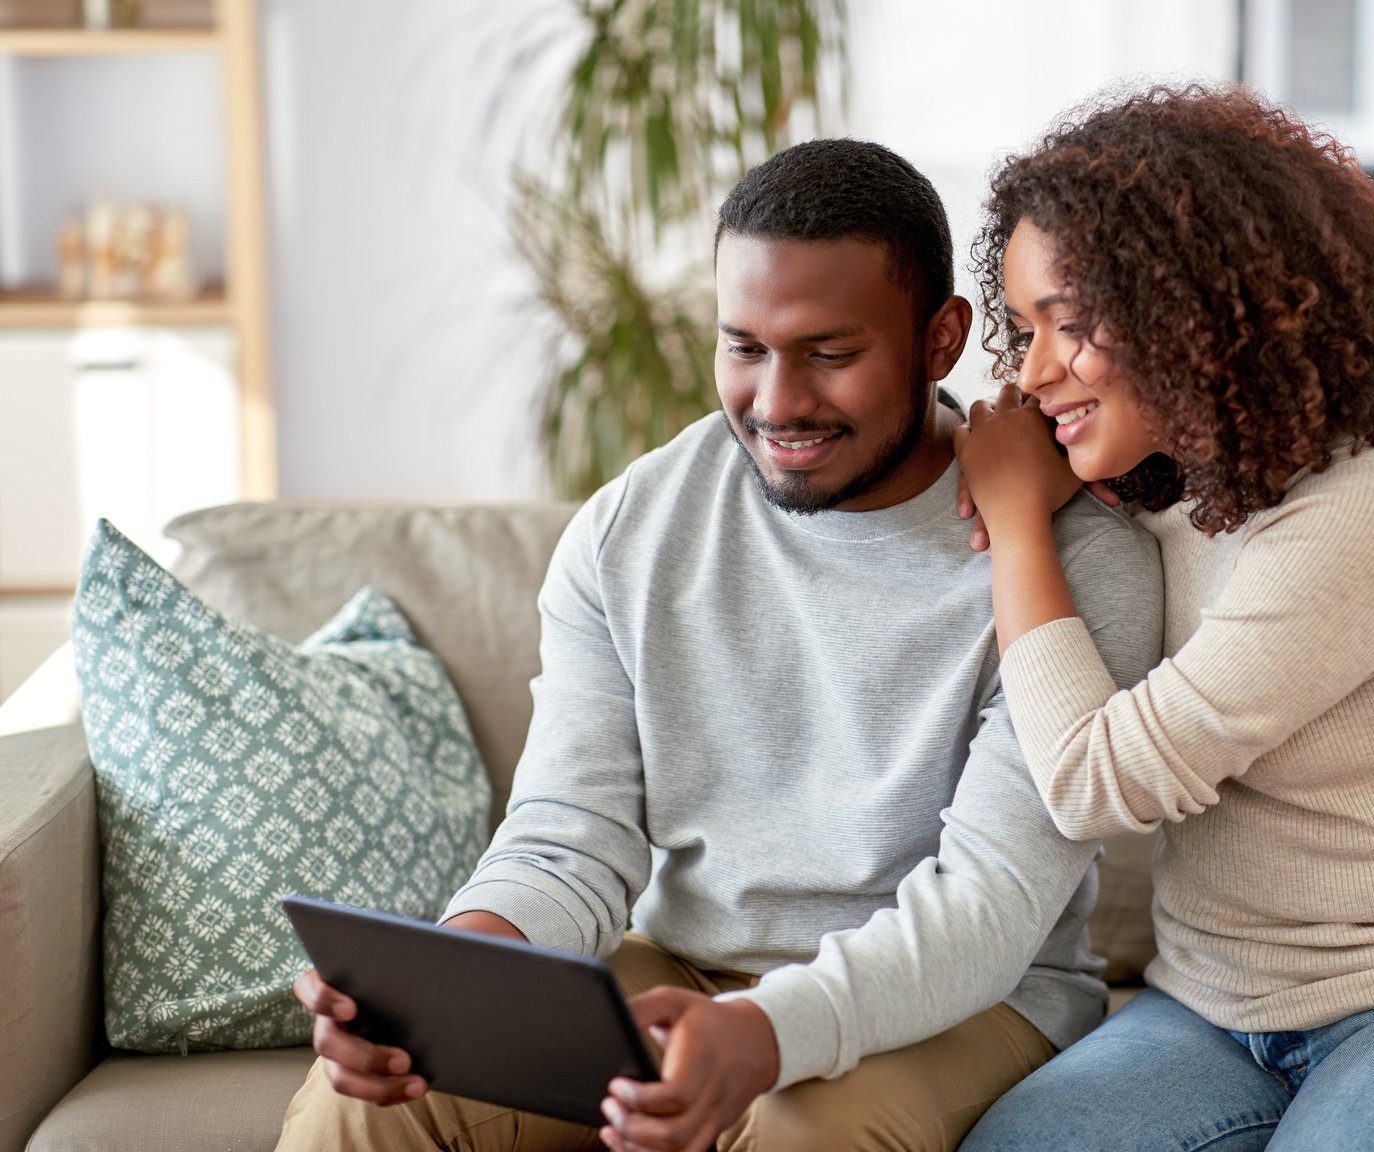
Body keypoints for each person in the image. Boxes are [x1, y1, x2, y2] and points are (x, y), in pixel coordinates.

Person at [274, 137, 1163, 1152]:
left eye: (830, 354)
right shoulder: (630, 531)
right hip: (689, 970)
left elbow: (989, 909)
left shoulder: (1072, 561)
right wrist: (451, 983)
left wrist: (766, 1032)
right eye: (744, 347)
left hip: (964, 1001)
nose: (777, 403)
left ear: (940, 338)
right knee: (369, 1101)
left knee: (800, 1131)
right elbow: (571, 835)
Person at [950, 86, 1374, 1152]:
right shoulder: (1164, 484)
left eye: (1070, 325)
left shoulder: (1363, 506)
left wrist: (1018, 522)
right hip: (1214, 1014)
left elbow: (1098, 782)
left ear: (1197, 306)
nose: (1032, 372)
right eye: (1026, 329)